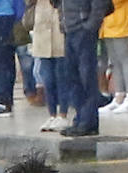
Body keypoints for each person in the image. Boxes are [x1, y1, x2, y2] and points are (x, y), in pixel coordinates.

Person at [61, 0, 113, 136]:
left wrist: (90, 26)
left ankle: (88, 121)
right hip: (69, 29)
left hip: (83, 29)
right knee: (72, 77)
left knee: (86, 77)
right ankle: (80, 118)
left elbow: (100, 4)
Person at [28, 0, 71, 131]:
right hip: (42, 28)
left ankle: (63, 114)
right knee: (47, 78)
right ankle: (51, 115)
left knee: (61, 76)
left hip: (60, 27)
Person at [98, 0, 128, 115]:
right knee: (115, 62)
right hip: (108, 21)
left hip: (124, 20)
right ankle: (119, 96)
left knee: (126, 59)